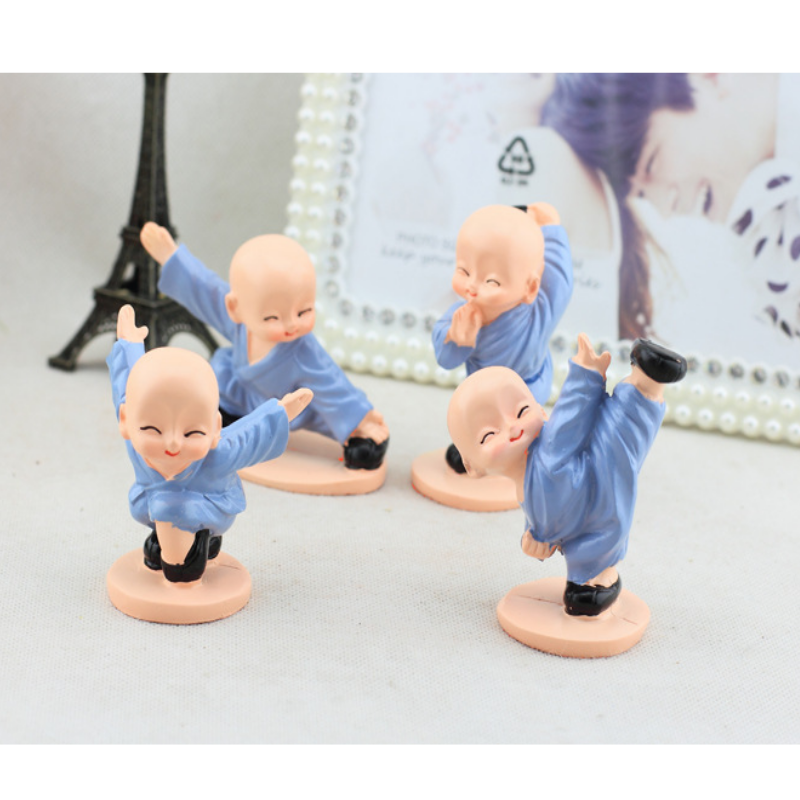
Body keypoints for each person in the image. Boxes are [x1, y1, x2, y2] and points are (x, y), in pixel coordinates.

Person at [541, 73, 800, 342]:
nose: (665, 209)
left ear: (708, 75)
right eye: (642, 195)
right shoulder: (771, 248)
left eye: (652, 163)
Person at [447, 335, 686, 616]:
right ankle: (645, 384)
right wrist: (534, 536)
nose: (512, 428)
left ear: (541, 411)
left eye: (521, 411)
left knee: (619, 435)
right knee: (618, 436)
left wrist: (585, 375)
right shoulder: (528, 480)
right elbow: (541, 509)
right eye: (489, 434)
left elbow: (571, 417)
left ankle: (646, 383)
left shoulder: (549, 450)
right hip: (587, 516)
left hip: (599, 496)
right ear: (472, 466)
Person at [140, 223, 389, 471]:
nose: (291, 325)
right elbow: (207, 290)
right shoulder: (241, 320)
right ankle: (229, 414)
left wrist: (361, 420)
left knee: (327, 414)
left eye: (304, 311)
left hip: (288, 404)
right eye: (272, 317)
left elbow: (331, 384)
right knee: (217, 373)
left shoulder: (302, 350)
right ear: (235, 308)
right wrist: (171, 257)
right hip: (241, 394)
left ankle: (362, 437)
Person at [109, 305, 312, 583]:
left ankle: (187, 560)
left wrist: (280, 413)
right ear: (126, 421)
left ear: (216, 428)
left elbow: (247, 435)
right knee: (160, 507)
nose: (172, 443)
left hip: (209, 506)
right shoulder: (134, 438)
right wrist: (128, 345)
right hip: (150, 501)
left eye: (192, 433)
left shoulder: (218, 454)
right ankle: (167, 536)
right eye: (152, 430)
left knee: (170, 507)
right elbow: (126, 388)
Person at [432, 203, 572, 473]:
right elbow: (445, 360)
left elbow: (559, 279)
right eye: (463, 271)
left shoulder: (539, 313)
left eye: (492, 281)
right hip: (482, 395)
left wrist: (552, 230)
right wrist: (455, 339)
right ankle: (476, 450)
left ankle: (527, 457)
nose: (472, 287)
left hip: (528, 387)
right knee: (479, 421)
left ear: (530, 287)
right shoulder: (462, 316)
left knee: (526, 426)